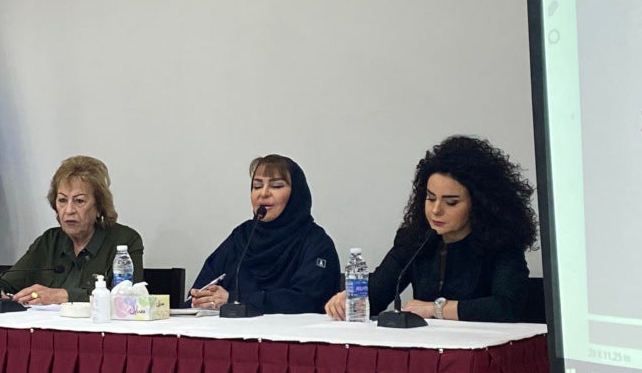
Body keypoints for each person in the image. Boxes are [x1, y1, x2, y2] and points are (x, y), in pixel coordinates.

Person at [324, 135, 538, 322]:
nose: (436, 210)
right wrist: (350, 300)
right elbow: (379, 293)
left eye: (451, 202)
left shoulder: (501, 245)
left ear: (479, 204)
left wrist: (436, 309)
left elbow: (507, 308)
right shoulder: (415, 239)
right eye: (430, 198)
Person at [0, 155, 143, 305]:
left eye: (79, 201)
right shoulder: (49, 241)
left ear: (99, 206)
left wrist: (65, 296)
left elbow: (127, 299)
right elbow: (10, 282)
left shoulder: (124, 240)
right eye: (62, 200)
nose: (68, 210)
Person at [187, 154, 340, 314]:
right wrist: (202, 299)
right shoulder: (242, 236)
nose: (264, 193)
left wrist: (235, 300)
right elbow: (201, 288)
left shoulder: (316, 242)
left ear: (296, 194)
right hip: (232, 334)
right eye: (257, 186)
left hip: (289, 336)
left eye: (276, 186)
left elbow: (308, 300)